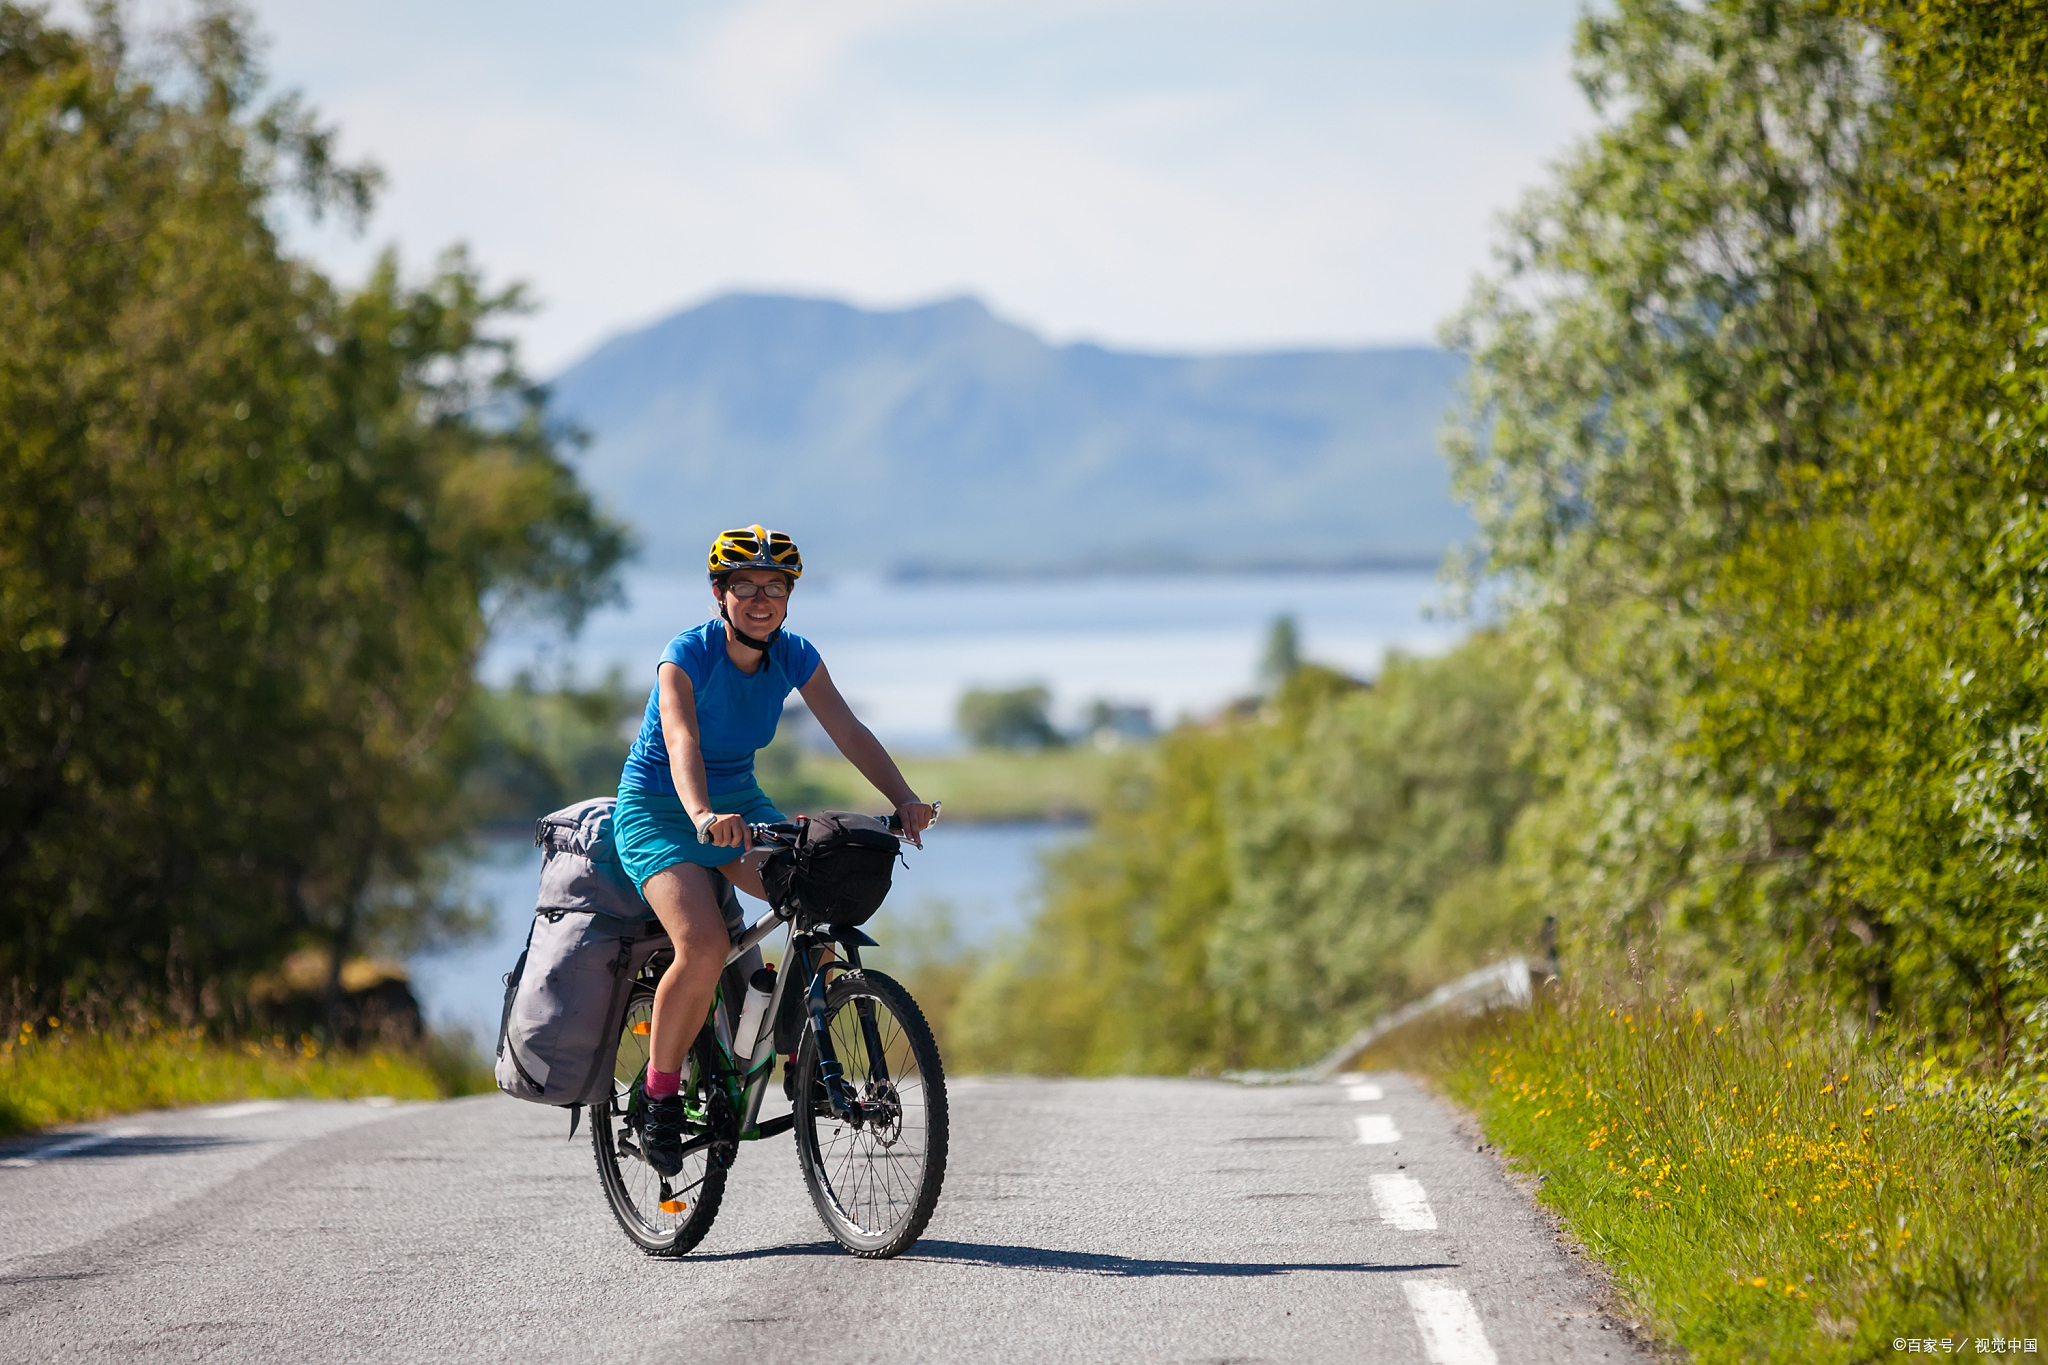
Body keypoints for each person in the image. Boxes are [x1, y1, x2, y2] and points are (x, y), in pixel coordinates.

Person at [612, 524, 935, 1176]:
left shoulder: (792, 654)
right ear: (719, 594)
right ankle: (660, 1094)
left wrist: (904, 797)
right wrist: (701, 813)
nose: (761, 598)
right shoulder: (687, 655)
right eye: (746, 587)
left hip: (740, 806)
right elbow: (680, 741)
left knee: (817, 888)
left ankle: (801, 1054)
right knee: (701, 943)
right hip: (660, 810)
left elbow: (847, 728)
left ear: (788, 597)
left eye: (775, 587)